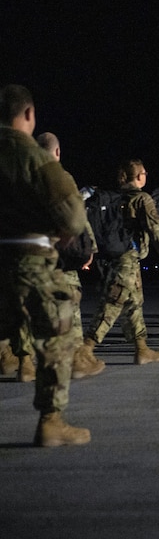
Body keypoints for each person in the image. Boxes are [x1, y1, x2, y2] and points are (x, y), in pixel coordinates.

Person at [0, 84, 90, 446]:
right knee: (56, 334)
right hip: (29, 259)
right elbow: (72, 216)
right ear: (28, 115)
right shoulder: (34, 157)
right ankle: (51, 421)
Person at [82, 160, 159, 366]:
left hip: (115, 258)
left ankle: (141, 348)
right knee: (112, 304)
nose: (146, 175)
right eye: (144, 172)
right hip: (126, 258)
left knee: (134, 303)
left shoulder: (115, 198)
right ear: (139, 177)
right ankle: (85, 349)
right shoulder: (142, 199)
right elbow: (156, 232)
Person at [37, 132, 103, 378]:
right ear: (57, 152)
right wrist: (90, 248)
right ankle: (77, 360)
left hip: (30, 253)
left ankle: (22, 362)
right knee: (70, 304)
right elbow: (77, 216)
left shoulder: (23, 176)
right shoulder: (61, 177)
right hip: (60, 253)